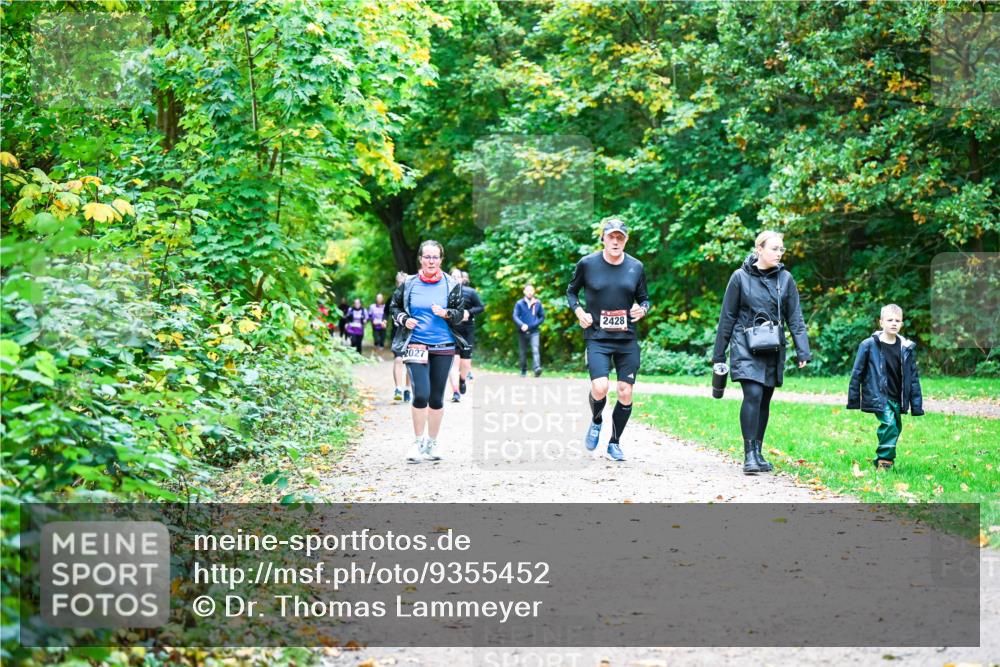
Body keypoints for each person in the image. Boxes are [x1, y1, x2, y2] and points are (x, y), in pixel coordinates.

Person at [711, 230, 811, 475]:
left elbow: (795, 317)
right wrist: (719, 353)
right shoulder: (739, 278)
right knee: (753, 394)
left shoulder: (785, 279)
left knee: (765, 398)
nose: (779, 253)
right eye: (774, 248)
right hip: (745, 345)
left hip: (773, 347)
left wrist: (803, 350)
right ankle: (748, 456)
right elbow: (728, 317)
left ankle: (758, 452)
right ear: (759, 250)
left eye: (781, 249)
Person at [566, 218, 649, 462]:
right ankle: (596, 420)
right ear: (603, 238)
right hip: (598, 337)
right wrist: (579, 312)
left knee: (625, 392)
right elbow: (571, 291)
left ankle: (614, 442)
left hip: (626, 339)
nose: (615, 241)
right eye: (611, 236)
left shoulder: (636, 267)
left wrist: (642, 309)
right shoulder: (588, 264)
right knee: (600, 387)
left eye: (620, 237)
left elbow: (644, 299)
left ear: (626, 240)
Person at [390, 241, 470, 463]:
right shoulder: (408, 284)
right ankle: (417, 443)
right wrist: (404, 319)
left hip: (444, 346)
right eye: (427, 257)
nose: (431, 261)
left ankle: (432, 443)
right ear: (420, 259)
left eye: (435, 257)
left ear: (441, 260)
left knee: (436, 398)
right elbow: (394, 308)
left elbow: (459, 313)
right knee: (421, 394)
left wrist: (445, 313)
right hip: (416, 345)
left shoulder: (452, 284)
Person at [847, 304, 924, 470]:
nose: (894, 323)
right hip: (878, 396)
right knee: (889, 425)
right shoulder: (868, 345)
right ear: (881, 322)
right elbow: (857, 372)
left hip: (897, 397)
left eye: (898, 320)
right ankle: (884, 462)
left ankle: (885, 458)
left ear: (902, 324)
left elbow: (913, 378)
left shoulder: (906, 348)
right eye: (890, 320)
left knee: (896, 427)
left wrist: (916, 406)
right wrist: (854, 399)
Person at [447, 269, 485, 402]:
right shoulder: (445, 293)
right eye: (452, 276)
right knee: (454, 362)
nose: (455, 278)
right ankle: (455, 392)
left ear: (462, 279)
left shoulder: (471, 292)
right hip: (452, 330)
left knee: (465, 363)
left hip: (467, 330)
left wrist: (469, 312)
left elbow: (481, 307)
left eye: (457, 276)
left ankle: (462, 379)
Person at [389, 272, 412, 403]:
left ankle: (407, 389)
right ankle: (398, 388)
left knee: (409, 362)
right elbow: (389, 311)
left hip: (412, 333)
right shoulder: (394, 296)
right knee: (398, 360)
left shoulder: (413, 296)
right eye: (399, 281)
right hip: (398, 333)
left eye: (404, 281)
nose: (402, 284)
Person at [513, 284, 545, 377]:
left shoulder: (537, 303)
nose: (530, 292)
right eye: (528, 290)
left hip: (534, 331)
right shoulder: (519, 303)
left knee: (535, 349)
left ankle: (537, 369)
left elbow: (542, 317)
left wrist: (533, 325)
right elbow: (515, 316)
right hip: (522, 331)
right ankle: (523, 370)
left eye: (531, 290)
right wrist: (521, 325)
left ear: (534, 291)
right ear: (524, 291)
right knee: (523, 351)